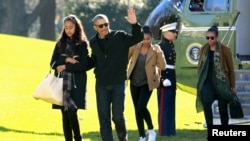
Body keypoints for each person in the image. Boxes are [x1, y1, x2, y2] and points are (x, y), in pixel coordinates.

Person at [89, 8, 143, 141]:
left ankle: (123, 139)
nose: (105, 27)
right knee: (104, 119)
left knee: (117, 116)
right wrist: (74, 63)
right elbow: (93, 60)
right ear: (95, 27)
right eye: (101, 25)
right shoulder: (93, 42)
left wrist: (134, 24)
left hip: (118, 83)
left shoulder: (119, 36)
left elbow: (137, 37)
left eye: (106, 24)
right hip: (101, 84)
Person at [50, 14, 92, 141]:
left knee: (72, 113)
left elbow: (84, 66)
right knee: (64, 115)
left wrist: (65, 66)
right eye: (66, 27)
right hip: (60, 84)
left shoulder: (83, 44)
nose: (68, 30)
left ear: (76, 28)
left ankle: (78, 138)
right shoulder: (59, 43)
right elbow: (52, 63)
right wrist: (66, 59)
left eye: (71, 27)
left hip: (76, 85)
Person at [127, 26, 167, 141]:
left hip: (148, 82)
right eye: (143, 39)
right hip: (134, 82)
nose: (146, 41)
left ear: (152, 38)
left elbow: (163, 66)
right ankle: (142, 136)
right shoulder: (135, 47)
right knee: (137, 110)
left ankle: (150, 130)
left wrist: (159, 53)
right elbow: (125, 58)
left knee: (141, 106)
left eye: (148, 39)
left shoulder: (155, 50)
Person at [196, 25, 236, 128]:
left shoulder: (225, 50)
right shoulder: (204, 49)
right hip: (208, 82)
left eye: (212, 38)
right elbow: (200, 67)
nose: (210, 40)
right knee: (206, 103)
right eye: (207, 38)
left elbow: (231, 70)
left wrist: (233, 86)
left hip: (221, 83)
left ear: (217, 38)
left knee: (223, 109)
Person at [157, 22, 178, 136]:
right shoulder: (161, 46)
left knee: (171, 106)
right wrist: (162, 79)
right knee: (164, 107)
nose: (175, 34)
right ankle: (163, 131)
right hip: (165, 80)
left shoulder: (170, 45)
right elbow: (156, 65)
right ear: (166, 33)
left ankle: (171, 131)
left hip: (171, 78)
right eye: (173, 32)